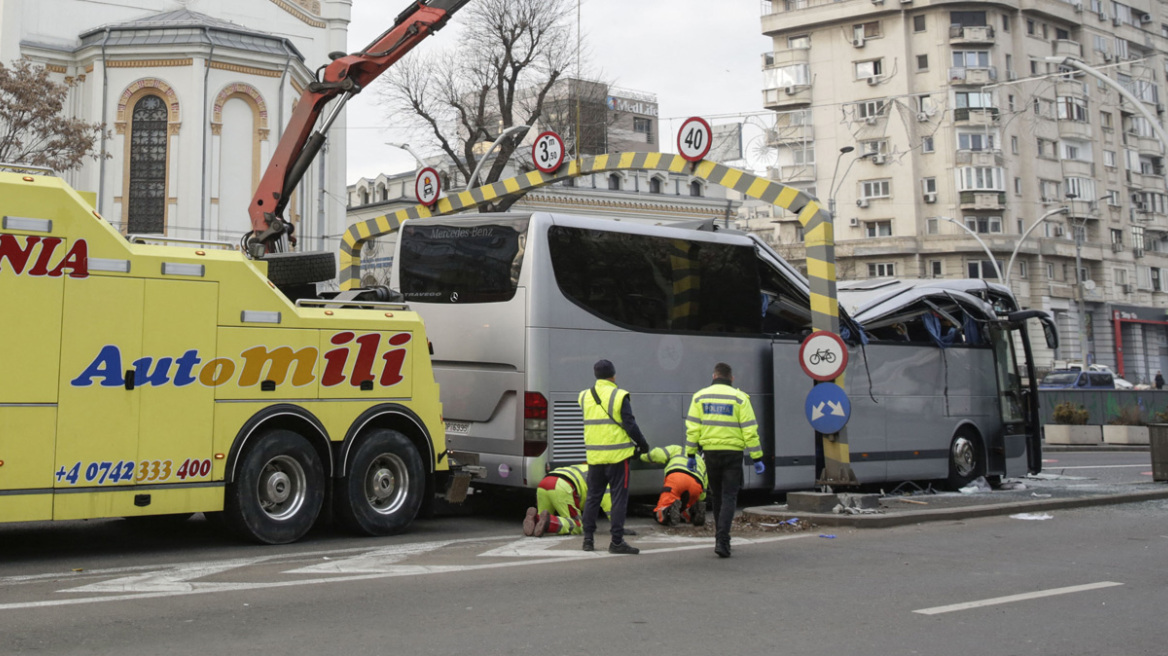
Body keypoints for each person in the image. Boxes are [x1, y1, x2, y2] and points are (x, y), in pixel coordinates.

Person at [685, 362, 764, 558]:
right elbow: (749, 430)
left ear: (714, 376)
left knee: (718, 496)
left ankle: (719, 538)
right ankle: (723, 539)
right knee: (729, 496)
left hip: (711, 453)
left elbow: (693, 428)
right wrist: (757, 457)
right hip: (733, 454)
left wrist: (690, 454)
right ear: (732, 378)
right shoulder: (740, 399)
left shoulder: (699, 397)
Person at [578, 359, 650, 555]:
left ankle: (588, 540)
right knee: (618, 498)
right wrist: (643, 444)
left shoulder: (584, 396)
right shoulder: (619, 396)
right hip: (618, 457)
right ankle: (616, 541)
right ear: (613, 375)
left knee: (593, 497)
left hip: (594, 457)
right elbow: (630, 425)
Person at [523, 463, 610, 537]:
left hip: (544, 483)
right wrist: (618, 525)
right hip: (563, 485)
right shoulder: (605, 477)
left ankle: (535, 519)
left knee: (543, 515)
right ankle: (549, 523)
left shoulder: (588, 467)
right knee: (577, 525)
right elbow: (609, 505)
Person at [640, 444, 707, 527]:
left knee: (661, 509)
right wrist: (699, 500)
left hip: (676, 478)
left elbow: (657, 454)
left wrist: (643, 456)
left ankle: (667, 512)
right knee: (684, 506)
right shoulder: (701, 461)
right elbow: (704, 489)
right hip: (696, 485)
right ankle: (691, 513)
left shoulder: (678, 449)